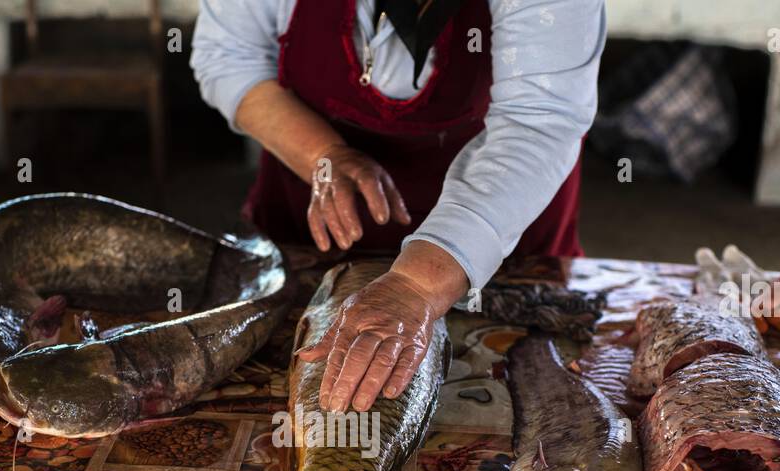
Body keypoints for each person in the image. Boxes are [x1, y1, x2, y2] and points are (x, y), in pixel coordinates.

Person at [191, 0, 605, 413]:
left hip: (496, 234)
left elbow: (538, 119)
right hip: (316, 220)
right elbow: (228, 58)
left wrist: (419, 283)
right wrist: (322, 152)